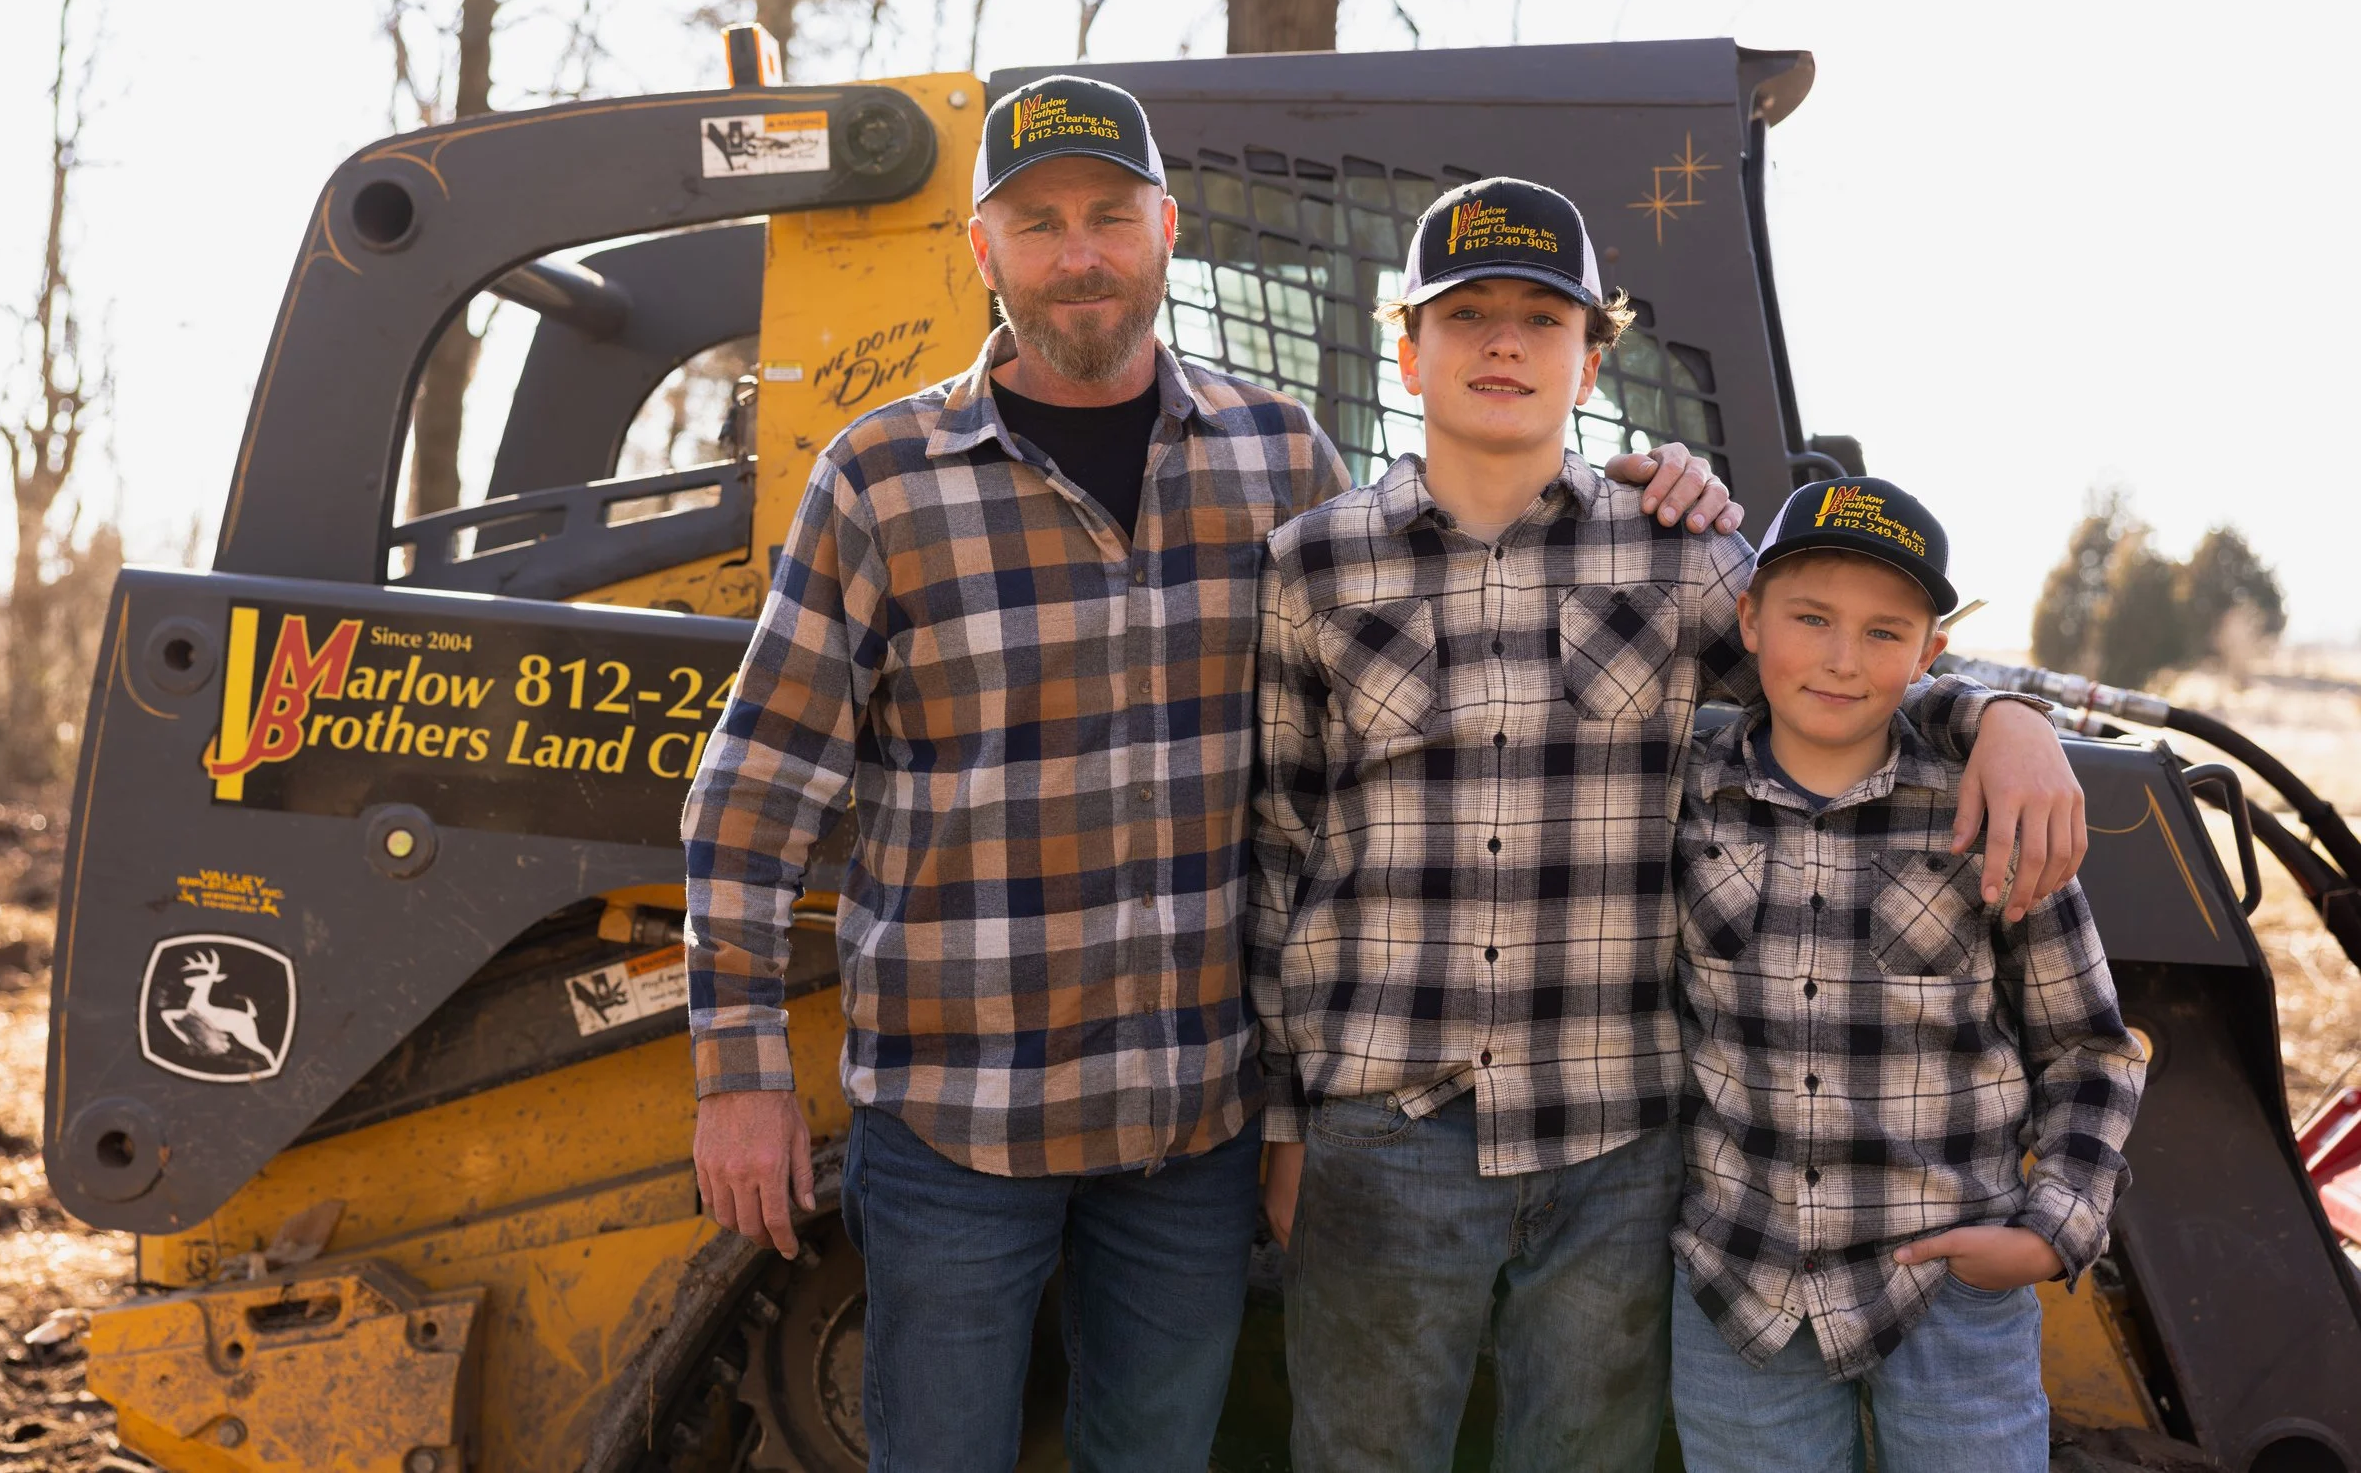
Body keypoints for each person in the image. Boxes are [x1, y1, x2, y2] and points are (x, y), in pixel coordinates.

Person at [679, 82, 1743, 1473]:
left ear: (1165, 231)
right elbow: (755, 788)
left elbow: (1416, 642)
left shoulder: (1277, 457)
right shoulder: (881, 480)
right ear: (981, 247)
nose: (1080, 252)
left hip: (1188, 1122)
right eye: (1040, 222)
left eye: (1112, 216)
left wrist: (1673, 482)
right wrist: (739, 1069)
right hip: (957, 1119)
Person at [1247, 177, 2088, 1473]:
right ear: (1408, 348)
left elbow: (1846, 678)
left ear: (1594, 358)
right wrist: (1287, 1117)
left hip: (1618, 1137)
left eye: (1544, 317)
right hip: (1385, 1122)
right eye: (1468, 315)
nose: (1507, 343)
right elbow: (1284, 844)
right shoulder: (1312, 564)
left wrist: (1999, 712)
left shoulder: (1686, 554)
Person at [1668, 477, 2144, 1473]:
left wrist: (2053, 1229)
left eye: (1885, 633)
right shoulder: (1686, 800)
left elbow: (2086, 1046)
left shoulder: (1987, 813)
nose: (1843, 659)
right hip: (1739, 1291)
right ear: (1748, 618)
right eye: (1811, 618)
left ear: (1929, 655)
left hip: (1943, 1293)